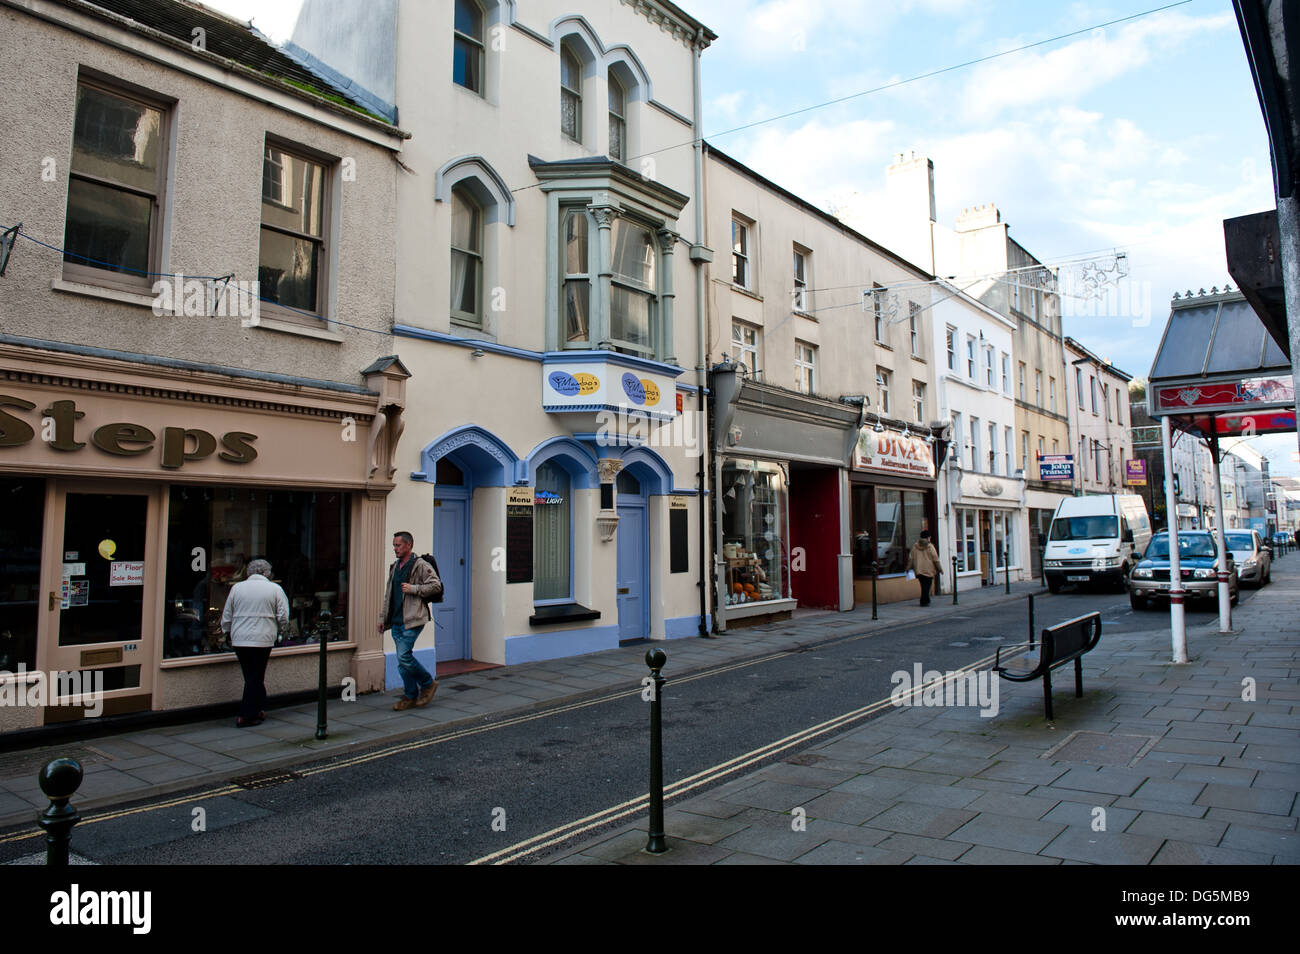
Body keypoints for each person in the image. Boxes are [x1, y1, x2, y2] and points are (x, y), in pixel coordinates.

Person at [220, 558, 289, 728]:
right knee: (256, 676)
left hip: (239, 638)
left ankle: (258, 708)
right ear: (267, 573)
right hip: (263, 639)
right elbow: (283, 616)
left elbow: (227, 614)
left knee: (251, 675)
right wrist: (282, 630)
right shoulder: (275, 589)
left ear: (249, 572)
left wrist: (226, 632)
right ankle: (246, 715)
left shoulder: (237, 588)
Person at [379, 532, 443, 711]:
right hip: (397, 621)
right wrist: (382, 618)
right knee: (402, 662)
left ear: (409, 545)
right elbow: (388, 596)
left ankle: (427, 683)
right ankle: (410, 696)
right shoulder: (395, 567)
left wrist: (414, 589)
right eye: (394, 545)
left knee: (403, 656)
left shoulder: (420, 565)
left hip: (414, 619)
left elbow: (436, 585)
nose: (395, 549)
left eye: (398, 545)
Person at [906, 530, 943, 607]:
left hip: (919, 570)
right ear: (928, 537)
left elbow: (911, 559)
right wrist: (940, 569)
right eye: (929, 537)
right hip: (928, 570)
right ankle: (924, 601)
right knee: (927, 586)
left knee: (923, 586)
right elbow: (935, 559)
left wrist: (908, 568)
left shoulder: (915, 546)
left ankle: (926, 600)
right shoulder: (930, 547)